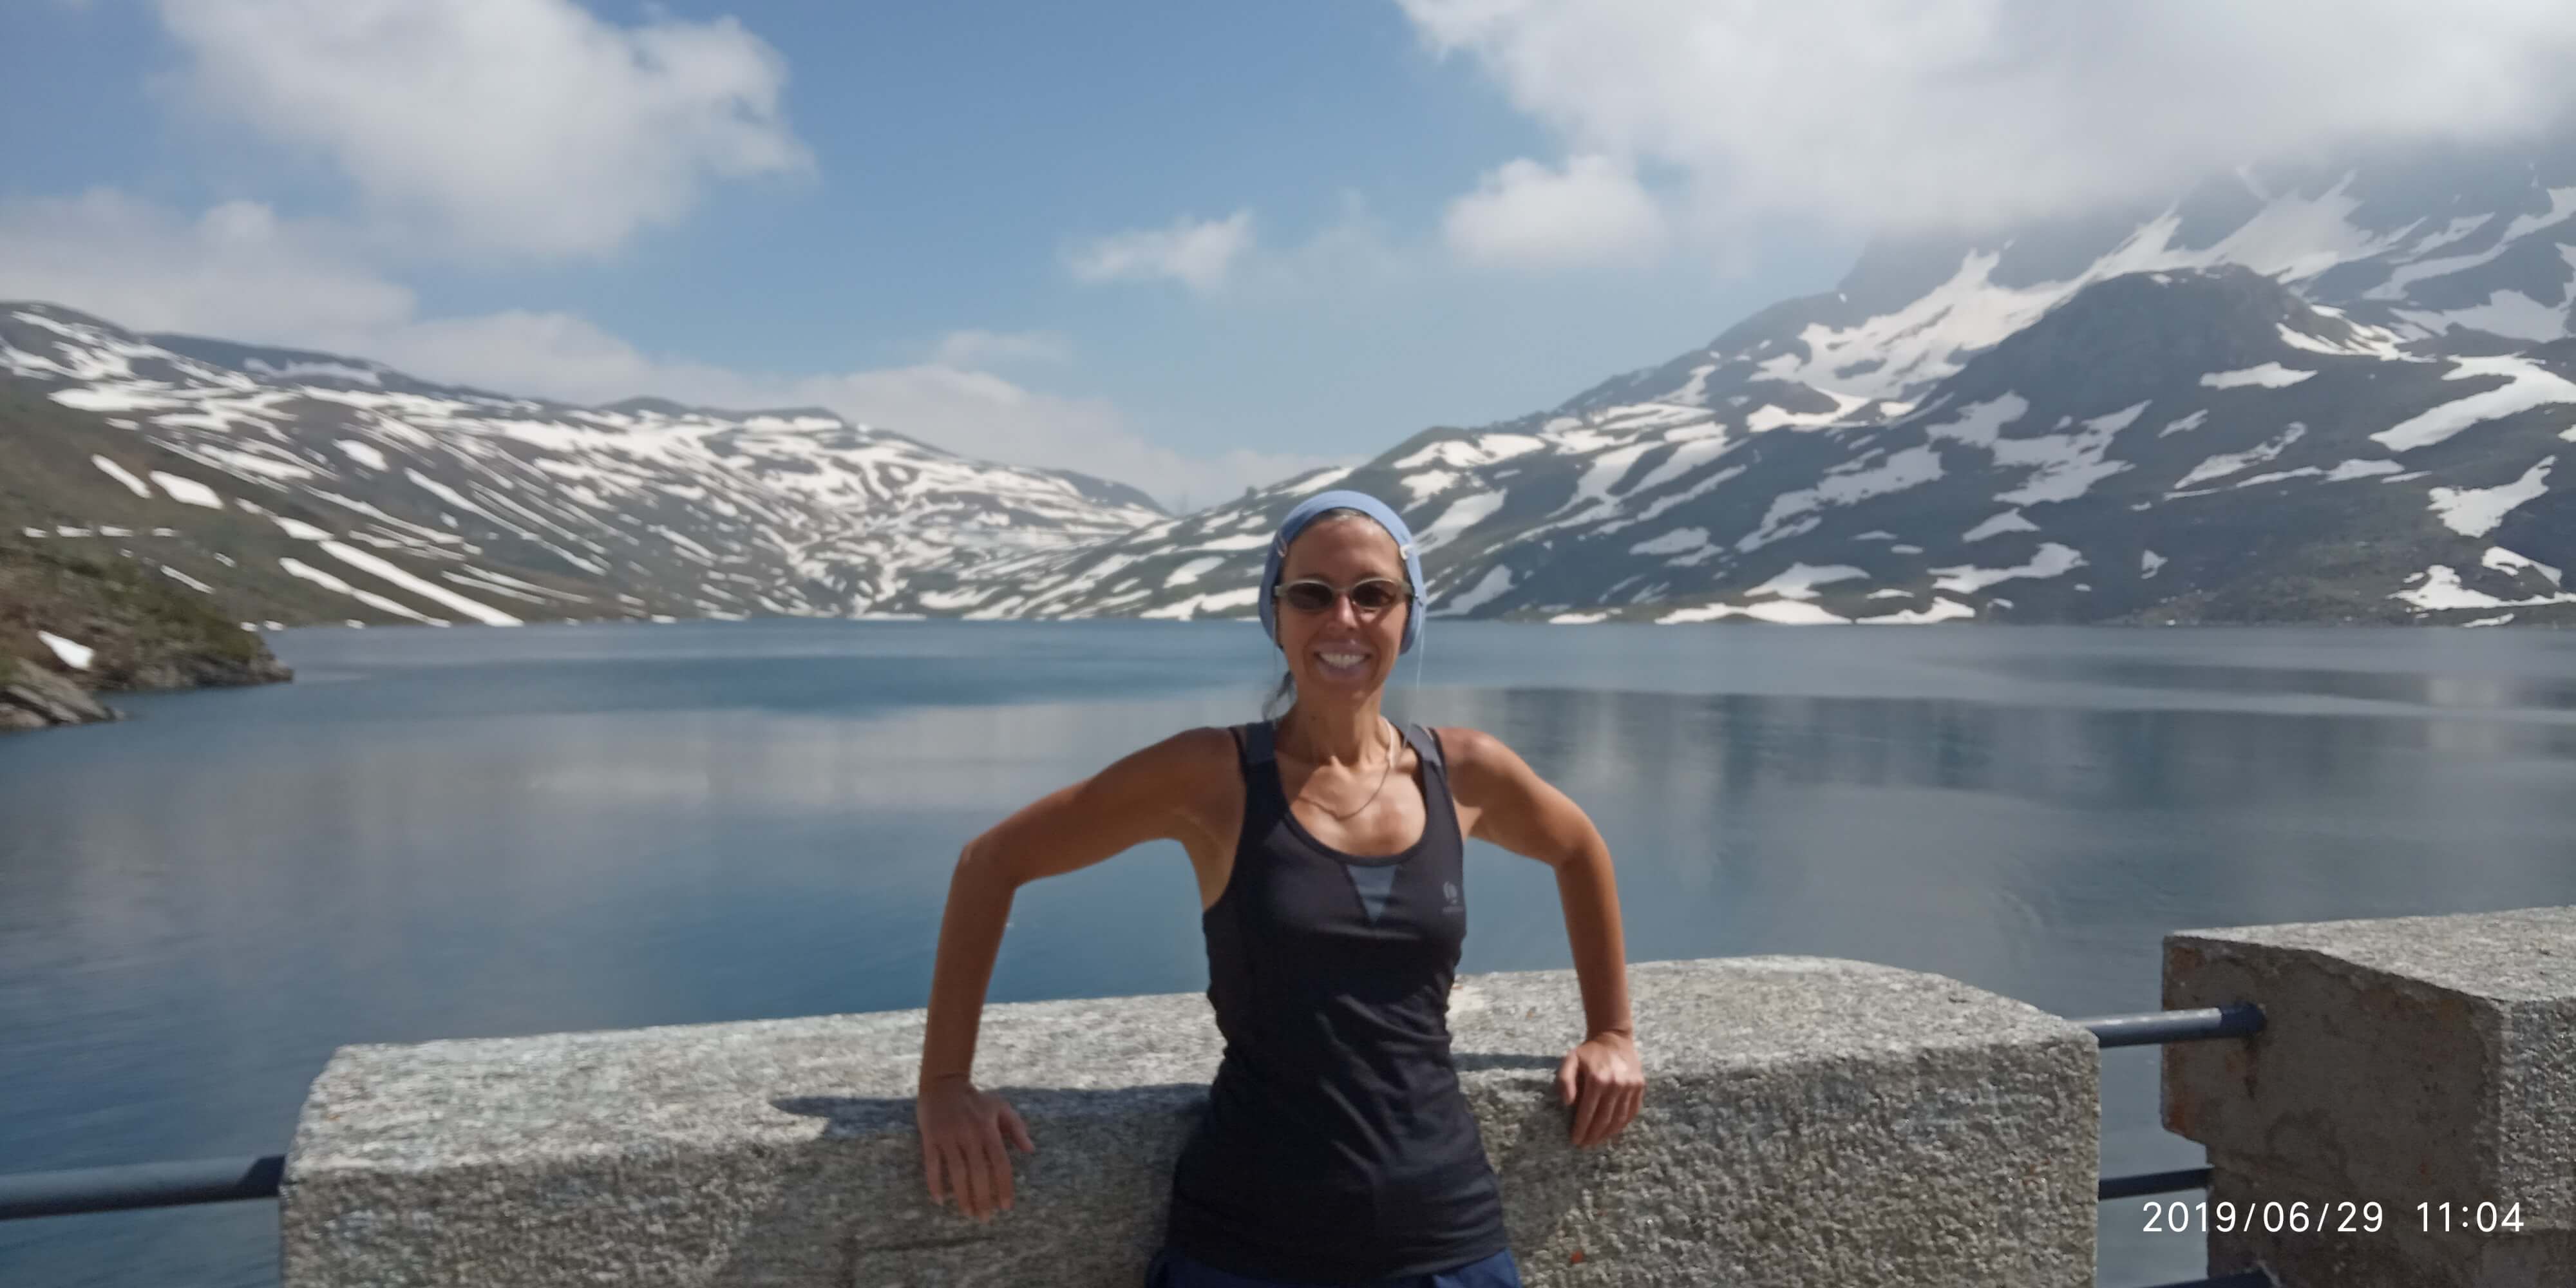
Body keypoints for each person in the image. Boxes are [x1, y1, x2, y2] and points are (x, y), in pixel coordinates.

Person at [913, 489, 1642, 1287]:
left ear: (1409, 612)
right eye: (1312, 594)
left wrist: (1611, 1031)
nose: (1344, 618)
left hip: (1444, 1232)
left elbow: (1579, 849)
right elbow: (990, 863)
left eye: (1373, 593)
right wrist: (945, 1082)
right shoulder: (1213, 775)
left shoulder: (1462, 771)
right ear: (1277, 613)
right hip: (1244, 1245)